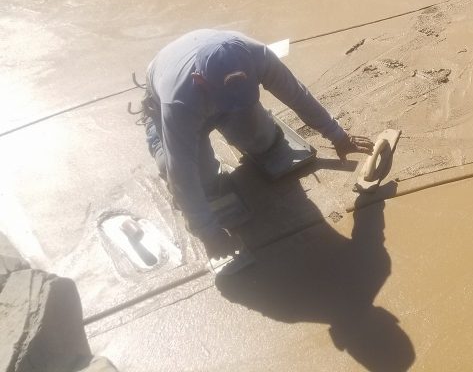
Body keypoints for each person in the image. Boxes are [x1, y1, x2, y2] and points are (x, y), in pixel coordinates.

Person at [140, 29, 374, 257]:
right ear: (199, 80)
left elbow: (297, 95)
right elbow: (182, 172)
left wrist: (338, 135)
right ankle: (155, 131)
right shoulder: (178, 101)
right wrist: (208, 232)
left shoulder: (256, 56)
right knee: (200, 182)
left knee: (264, 143)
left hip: (211, 91)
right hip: (177, 101)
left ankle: (252, 125)